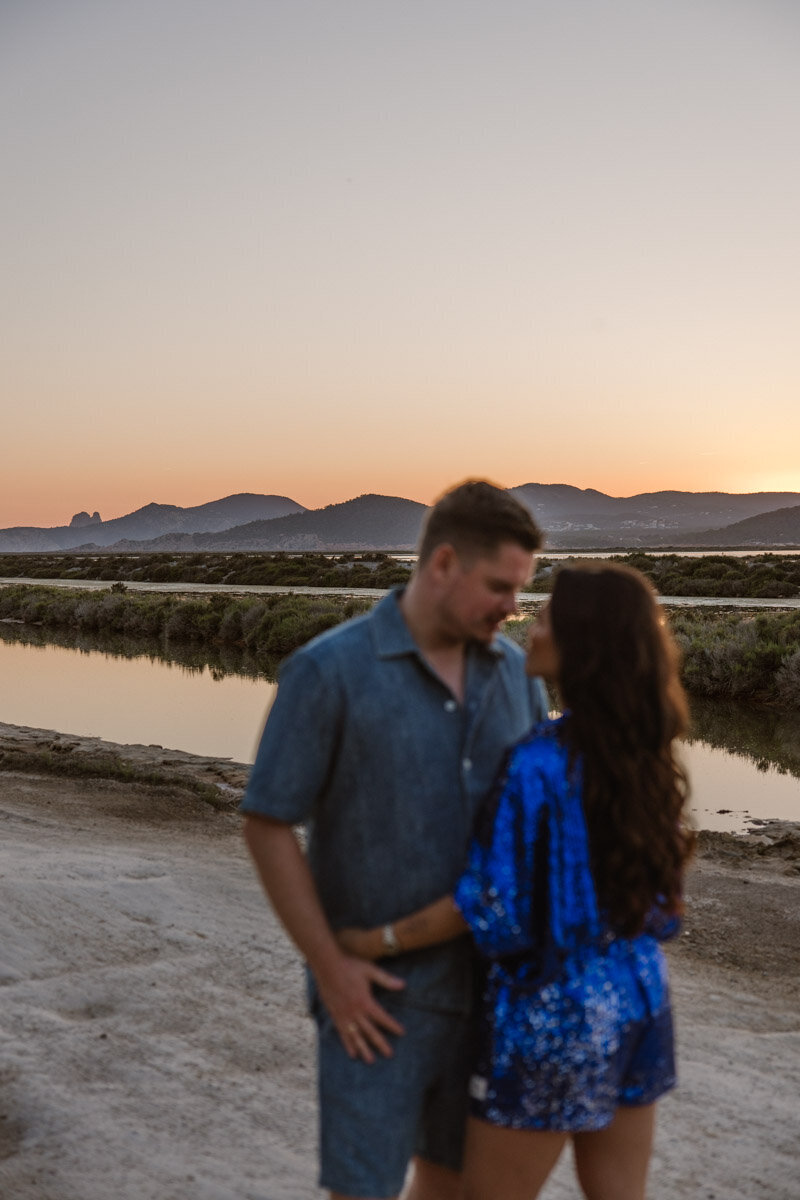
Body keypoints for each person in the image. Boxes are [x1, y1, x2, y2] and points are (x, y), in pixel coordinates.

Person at [338, 563, 694, 1200]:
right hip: (639, 998)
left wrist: (377, 941)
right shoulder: (647, 755)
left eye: (548, 617)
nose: (530, 629)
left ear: (580, 642)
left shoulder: (539, 762)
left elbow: (492, 907)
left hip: (552, 1015)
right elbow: (665, 906)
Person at [240, 480, 548, 1200]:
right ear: (443, 563)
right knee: (364, 1190)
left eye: (522, 589)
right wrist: (331, 970)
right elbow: (267, 822)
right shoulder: (327, 671)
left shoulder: (517, 677)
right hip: (377, 1000)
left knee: (451, 1187)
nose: (514, 607)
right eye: (501, 586)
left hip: (494, 993)